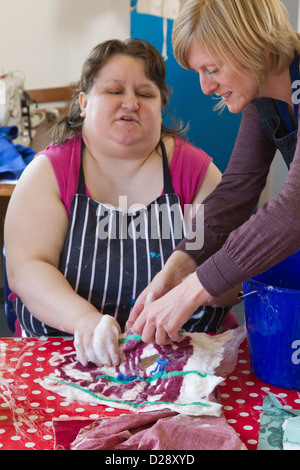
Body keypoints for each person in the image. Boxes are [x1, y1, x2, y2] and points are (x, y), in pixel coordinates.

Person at [4, 38, 230, 367]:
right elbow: (27, 268)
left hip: (185, 363)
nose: (130, 102)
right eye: (114, 91)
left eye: (145, 93)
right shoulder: (50, 173)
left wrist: (194, 294)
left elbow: (225, 271)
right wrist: (83, 321)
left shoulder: (194, 173)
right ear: (84, 102)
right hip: (62, 359)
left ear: (161, 106)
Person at [127, 0, 300, 345]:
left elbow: (293, 211)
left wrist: (192, 290)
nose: (206, 88)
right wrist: (178, 264)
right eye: (199, 73)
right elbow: (235, 191)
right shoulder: (262, 92)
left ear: (253, 46)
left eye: (213, 69)